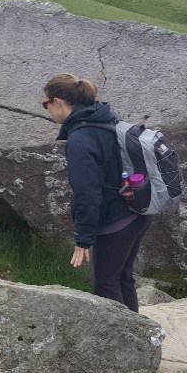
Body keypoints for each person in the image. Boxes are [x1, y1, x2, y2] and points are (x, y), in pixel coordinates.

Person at [42, 73, 151, 312]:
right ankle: (140, 343)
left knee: (105, 285)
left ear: (58, 101)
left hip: (116, 220)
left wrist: (83, 238)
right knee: (123, 277)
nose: (46, 110)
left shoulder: (80, 139)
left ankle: (125, 345)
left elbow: (87, 194)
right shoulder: (108, 120)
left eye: (46, 104)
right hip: (137, 209)